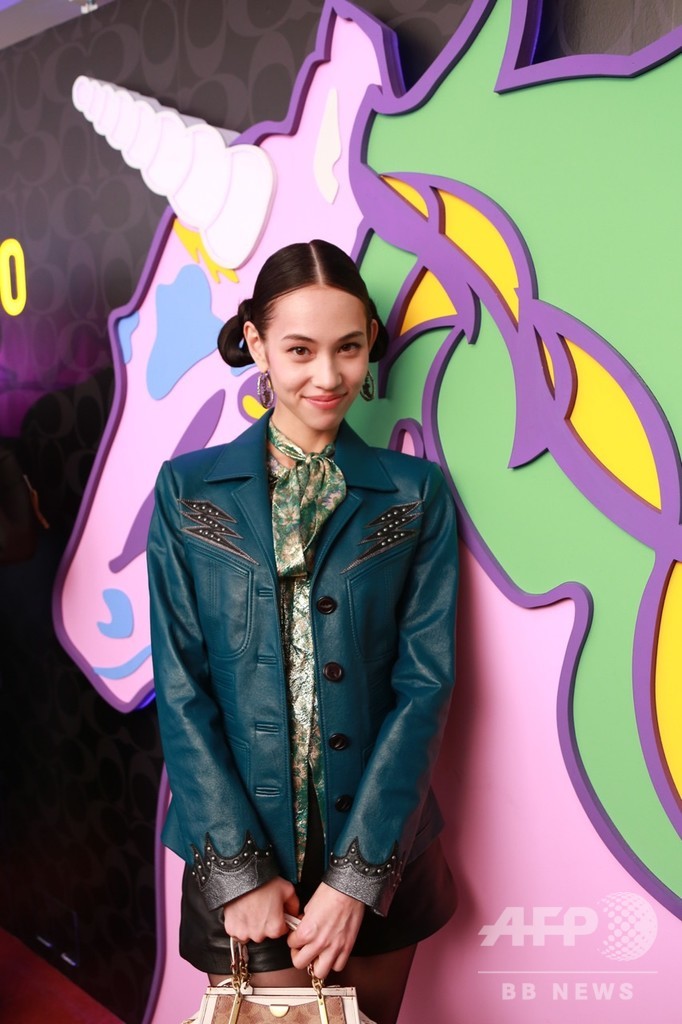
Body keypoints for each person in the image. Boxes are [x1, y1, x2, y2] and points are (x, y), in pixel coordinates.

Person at [147, 239, 458, 1024]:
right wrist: (238, 871)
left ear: (370, 343)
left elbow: (424, 689)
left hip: (381, 849)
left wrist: (358, 878)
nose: (328, 376)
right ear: (256, 343)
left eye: (348, 348)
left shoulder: (415, 495)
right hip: (241, 857)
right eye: (299, 350)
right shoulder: (187, 490)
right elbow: (181, 690)